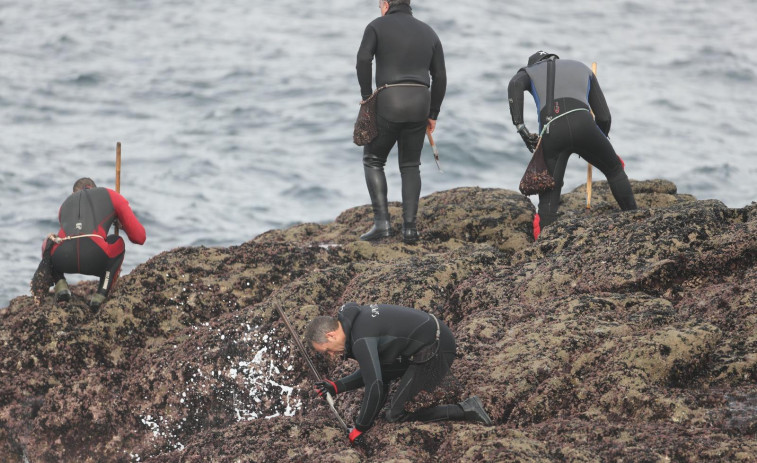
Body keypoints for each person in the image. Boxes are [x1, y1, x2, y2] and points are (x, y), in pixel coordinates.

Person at [304, 302, 492, 445]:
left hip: (437, 350)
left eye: (327, 350)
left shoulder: (361, 338)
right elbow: (376, 372)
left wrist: (360, 428)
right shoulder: (354, 322)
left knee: (395, 414)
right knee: (383, 379)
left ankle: (466, 409)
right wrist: (337, 386)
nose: (331, 354)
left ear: (330, 335)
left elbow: (375, 385)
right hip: (428, 341)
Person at [507, 51, 637, 239]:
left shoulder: (530, 71)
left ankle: (544, 246)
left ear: (535, 64)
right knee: (615, 169)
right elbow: (604, 117)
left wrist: (521, 127)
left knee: (549, 191)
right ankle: (635, 220)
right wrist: (599, 142)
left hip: (553, 130)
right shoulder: (583, 68)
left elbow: (514, 84)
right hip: (584, 125)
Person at [356, 0, 447, 244]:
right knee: (410, 165)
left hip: (389, 99)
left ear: (385, 4)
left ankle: (382, 224)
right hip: (420, 101)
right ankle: (410, 230)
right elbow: (440, 76)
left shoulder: (376, 26)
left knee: (373, 159)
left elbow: (363, 60)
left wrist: (367, 99)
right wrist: (433, 113)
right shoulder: (429, 32)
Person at [45, 177, 146, 309]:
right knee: (117, 242)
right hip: (94, 257)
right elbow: (139, 237)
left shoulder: (64, 205)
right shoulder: (111, 196)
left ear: (73, 194)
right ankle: (101, 294)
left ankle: (61, 285)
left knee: (49, 241)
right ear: (95, 188)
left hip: (64, 259)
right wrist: (121, 223)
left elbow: (73, 234)